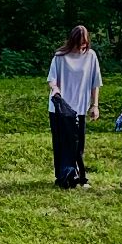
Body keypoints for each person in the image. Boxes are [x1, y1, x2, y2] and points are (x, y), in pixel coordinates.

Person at [46, 25, 102, 188]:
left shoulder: (91, 56)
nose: (81, 48)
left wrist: (95, 105)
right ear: (72, 42)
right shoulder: (60, 56)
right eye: (78, 44)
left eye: (84, 44)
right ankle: (62, 176)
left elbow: (95, 83)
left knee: (78, 144)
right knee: (61, 143)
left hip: (79, 107)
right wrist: (55, 88)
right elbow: (52, 78)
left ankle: (77, 175)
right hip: (59, 109)